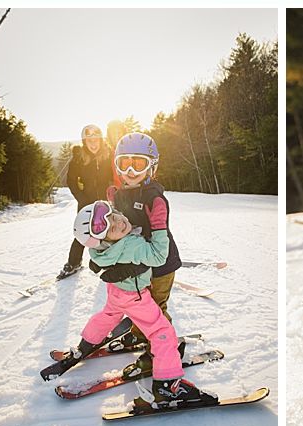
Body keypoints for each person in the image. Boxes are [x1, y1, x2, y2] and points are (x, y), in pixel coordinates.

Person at [57, 200, 215, 408]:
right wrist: (159, 226)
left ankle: (84, 345)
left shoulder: (101, 251)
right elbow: (159, 257)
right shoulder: (132, 245)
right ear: (103, 240)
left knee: (108, 316)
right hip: (135, 296)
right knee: (162, 332)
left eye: (114, 216)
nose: (119, 222)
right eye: (112, 228)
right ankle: (169, 385)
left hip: (116, 291)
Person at [89, 133, 183, 377]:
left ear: (152, 166)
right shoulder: (121, 193)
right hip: (139, 266)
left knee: (156, 308)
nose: (130, 170)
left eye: (138, 163)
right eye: (124, 163)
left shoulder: (154, 198)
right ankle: (140, 333)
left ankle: (162, 349)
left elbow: (158, 246)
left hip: (161, 266)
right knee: (139, 305)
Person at [58, 124, 114, 279]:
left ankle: (111, 262)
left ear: (101, 140)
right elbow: (71, 180)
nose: (94, 144)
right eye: (90, 141)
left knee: (109, 230)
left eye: (96, 140)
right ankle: (74, 262)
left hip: (106, 201)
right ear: (84, 142)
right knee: (83, 232)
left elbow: (114, 176)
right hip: (86, 201)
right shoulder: (79, 158)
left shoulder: (108, 155)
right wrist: (81, 198)